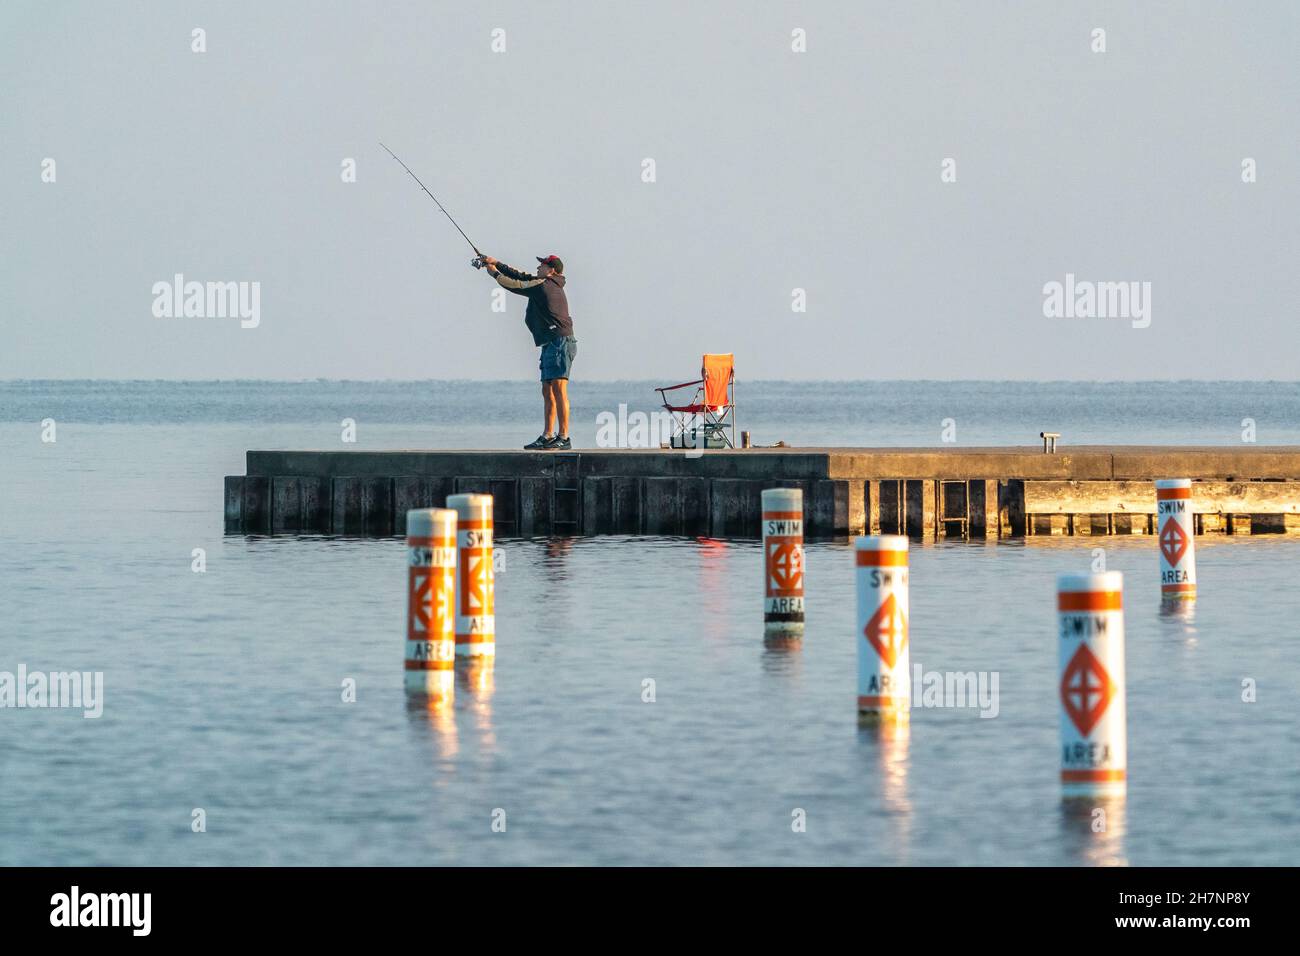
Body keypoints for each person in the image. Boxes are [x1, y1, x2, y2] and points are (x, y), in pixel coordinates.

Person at [481, 254, 577, 450]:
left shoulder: (544, 286)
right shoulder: (542, 282)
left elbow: (515, 284)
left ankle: (564, 437)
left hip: (560, 341)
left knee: (559, 389)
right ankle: (548, 435)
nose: (538, 267)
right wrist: (496, 262)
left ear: (551, 270)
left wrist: (494, 274)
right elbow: (522, 276)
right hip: (550, 342)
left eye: (541, 265)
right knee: (547, 390)